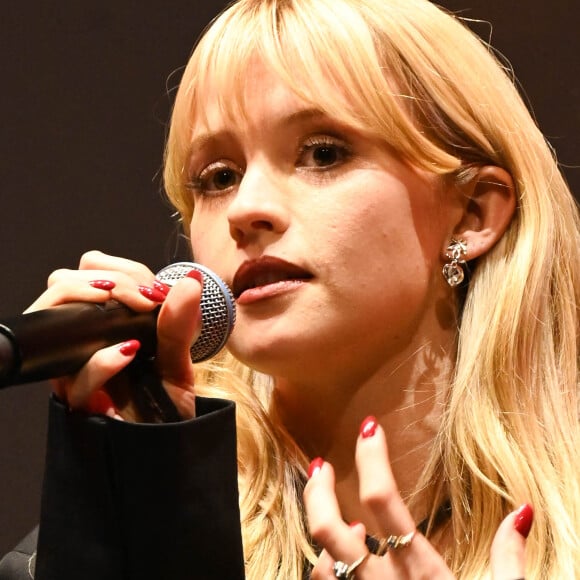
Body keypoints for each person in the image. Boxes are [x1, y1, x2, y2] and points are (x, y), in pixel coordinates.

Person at [1, 0, 578, 578]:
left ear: (473, 214)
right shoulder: (133, 525)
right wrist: (137, 506)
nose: (246, 210)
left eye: (323, 153)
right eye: (219, 177)